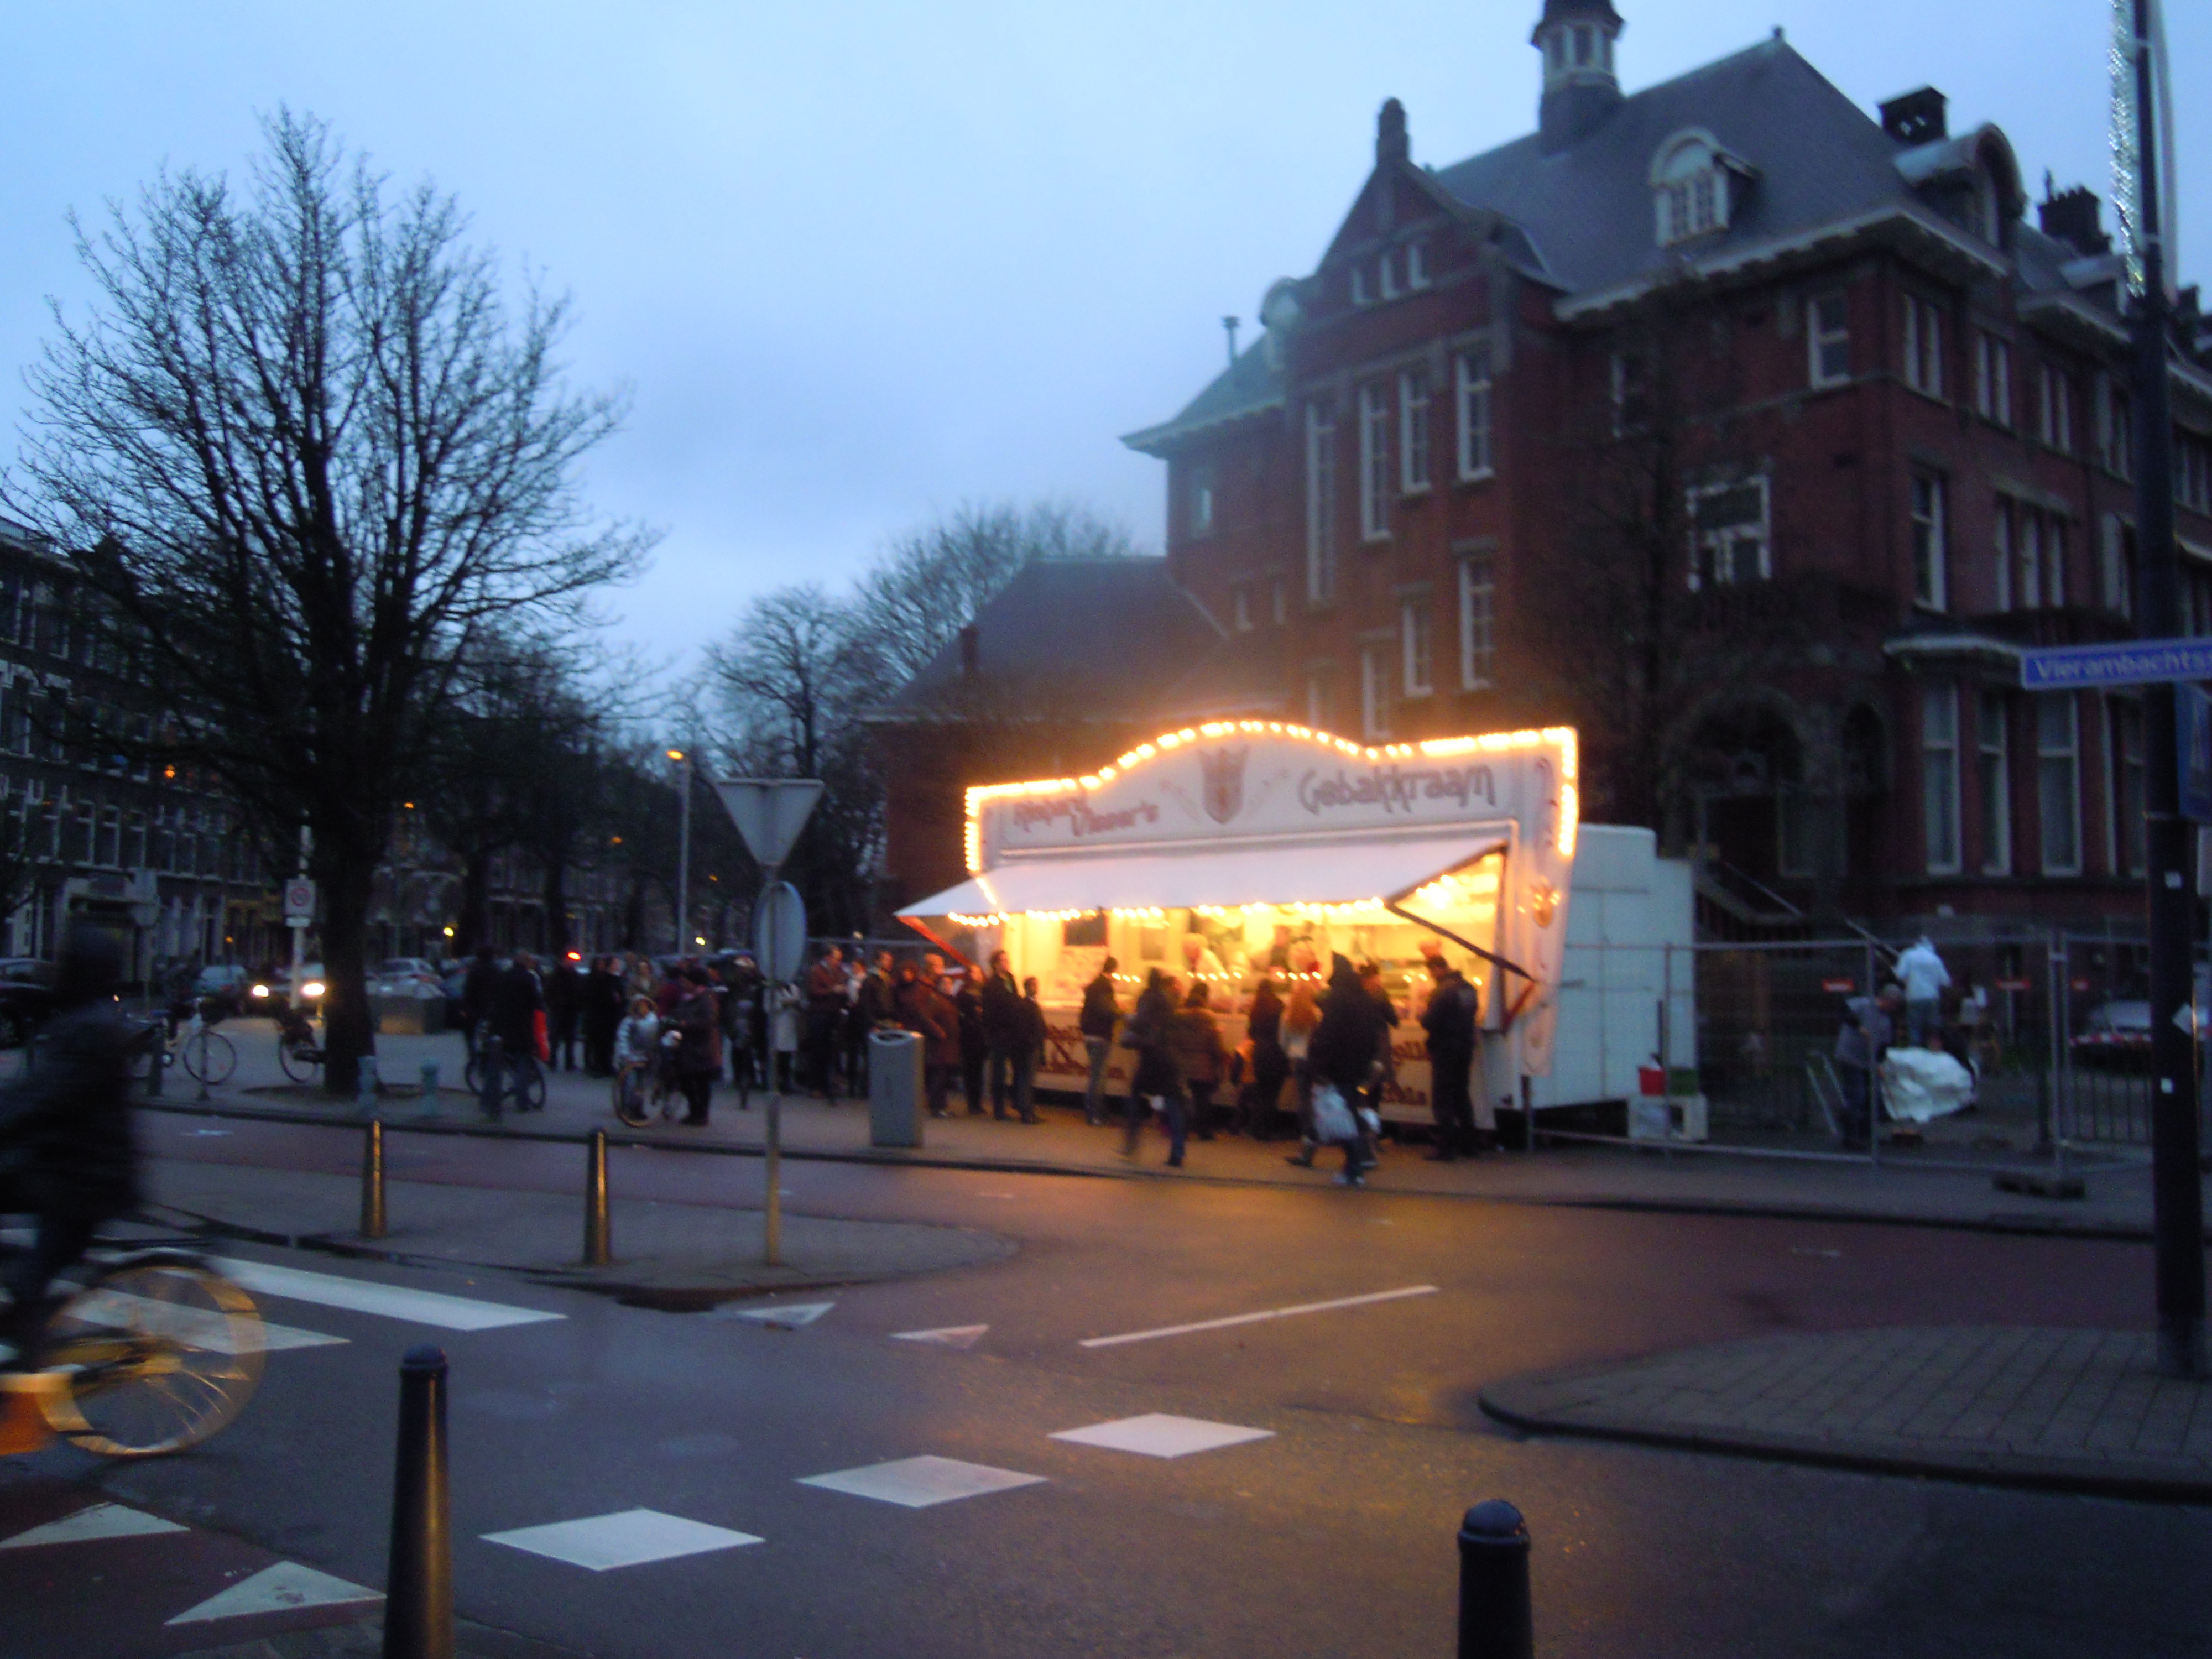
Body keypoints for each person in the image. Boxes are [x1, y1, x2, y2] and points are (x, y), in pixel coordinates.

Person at [0, 926, 138, 1365]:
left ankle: (28, 1381)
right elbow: (36, 1092)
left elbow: (46, 1098)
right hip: (59, 1167)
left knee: (30, 1278)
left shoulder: (91, 1029)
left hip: (82, 1183)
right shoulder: (84, 1018)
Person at [1301, 954, 1385, 1183]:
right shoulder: (1364, 999)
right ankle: (1358, 1162)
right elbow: (1372, 1035)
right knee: (1350, 1114)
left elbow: (1329, 1036)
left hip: (1339, 1068)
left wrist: (1318, 1065)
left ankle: (1355, 1167)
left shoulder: (1339, 1000)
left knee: (1341, 1118)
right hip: (1358, 1067)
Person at [1420, 954, 1481, 1160]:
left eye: (1431, 972)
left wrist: (1422, 1016)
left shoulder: (1443, 991)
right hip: (1465, 1046)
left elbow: (1430, 1021)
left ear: (1438, 969)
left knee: (1443, 1097)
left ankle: (1446, 1148)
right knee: (1462, 1094)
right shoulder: (1469, 989)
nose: (1431, 976)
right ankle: (1469, 1144)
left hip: (1445, 1047)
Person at [1122, 969, 1186, 1167]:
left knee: (1135, 1095)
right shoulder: (1169, 1001)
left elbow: (1141, 1023)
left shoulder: (1147, 999)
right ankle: (1178, 1151)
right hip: (1170, 1060)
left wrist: (1129, 1021)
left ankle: (1131, 1143)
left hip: (1152, 1059)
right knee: (1173, 1103)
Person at [1834, 983, 1903, 1150]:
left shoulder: (1886, 1020)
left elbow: (1884, 1045)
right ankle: (1851, 1136)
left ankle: (1867, 1134)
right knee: (1856, 1095)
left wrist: (1879, 1063)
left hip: (1868, 1061)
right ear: (1887, 1000)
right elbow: (1843, 1011)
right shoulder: (1864, 1004)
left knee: (1871, 1097)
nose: (1894, 1008)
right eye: (1893, 1003)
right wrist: (1860, 1027)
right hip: (1850, 1056)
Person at [479, 949, 544, 1120]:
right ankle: (522, 1101)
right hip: (522, 1028)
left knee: (495, 1066)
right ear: (526, 962)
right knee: (523, 1064)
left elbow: (493, 999)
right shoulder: (528, 979)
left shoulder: (503, 976)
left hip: (501, 1029)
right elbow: (536, 1002)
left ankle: (487, 1100)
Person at [895, 961, 961, 1118]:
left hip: (944, 1042)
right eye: (939, 967)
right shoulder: (929, 993)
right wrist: (937, 1031)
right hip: (937, 1043)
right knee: (937, 1075)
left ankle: (940, 1106)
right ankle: (937, 1107)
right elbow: (924, 1015)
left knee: (941, 1074)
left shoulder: (938, 995)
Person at [1168, 981, 1227, 1140]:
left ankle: (1183, 1129)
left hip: (1182, 1063)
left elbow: (1174, 1042)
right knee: (1202, 1099)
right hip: (1203, 1065)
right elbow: (1215, 1046)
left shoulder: (1178, 1020)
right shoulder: (1209, 1021)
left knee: (1184, 1098)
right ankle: (1204, 1131)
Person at [669, 970, 722, 1125]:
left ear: (695, 983)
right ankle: (694, 1111)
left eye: (686, 982)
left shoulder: (705, 1000)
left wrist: (689, 1024)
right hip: (686, 1046)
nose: (683, 984)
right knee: (685, 1080)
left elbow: (709, 1021)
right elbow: (678, 1013)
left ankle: (701, 1114)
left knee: (701, 1082)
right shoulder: (686, 999)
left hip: (702, 1047)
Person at [980, 950, 1025, 1121]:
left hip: (1013, 1031)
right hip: (999, 1033)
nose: (1007, 963)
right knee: (999, 1071)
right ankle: (999, 1108)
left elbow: (1015, 999)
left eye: (1008, 960)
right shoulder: (992, 984)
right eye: (1003, 961)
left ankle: (1017, 1102)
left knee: (1017, 1068)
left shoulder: (1011, 980)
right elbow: (992, 1011)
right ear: (996, 964)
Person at [1243, 974, 1288, 1140]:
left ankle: (1256, 1128)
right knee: (1272, 1093)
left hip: (1260, 1052)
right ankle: (1267, 1129)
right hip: (1277, 1052)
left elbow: (1251, 1033)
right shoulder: (1279, 1006)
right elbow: (1284, 1030)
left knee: (1261, 1092)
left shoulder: (1255, 1008)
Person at [1078, 957, 1121, 1126]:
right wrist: (1120, 1013)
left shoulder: (1095, 984)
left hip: (1090, 1033)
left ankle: (1096, 1112)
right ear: (1113, 970)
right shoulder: (1104, 986)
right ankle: (1095, 1114)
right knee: (1098, 1076)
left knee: (1096, 1074)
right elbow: (1106, 1009)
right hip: (1100, 1034)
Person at [1280, 979, 1320, 1158]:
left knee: (1303, 1099)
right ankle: (1319, 1131)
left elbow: (1282, 1041)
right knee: (1316, 1097)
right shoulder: (1317, 1014)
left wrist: (1290, 1053)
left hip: (1297, 1059)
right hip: (1314, 1058)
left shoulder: (1288, 1016)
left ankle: (1306, 1133)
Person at [802, 946, 846, 1098]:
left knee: (831, 1052)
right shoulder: (817, 971)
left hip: (834, 1014)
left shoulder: (838, 972)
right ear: (827, 958)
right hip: (820, 1015)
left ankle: (828, 1085)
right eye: (836, 959)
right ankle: (815, 1086)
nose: (838, 962)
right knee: (818, 1051)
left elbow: (843, 983)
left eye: (839, 960)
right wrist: (832, 990)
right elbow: (813, 991)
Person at [1895, 936, 1950, 1049]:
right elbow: (1946, 981)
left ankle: (1916, 1054)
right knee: (1933, 1029)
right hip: (1933, 998)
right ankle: (1934, 1052)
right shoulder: (1935, 959)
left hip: (1914, 997)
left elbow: (1900, 975)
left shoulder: (1909, 955)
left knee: (1915, 1028)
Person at [612, 995, 661, 1120]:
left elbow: (655, 1039)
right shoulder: (629, 1022)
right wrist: (625, 1054)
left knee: (642, 1085)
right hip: (631, 1058)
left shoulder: (653, 1021)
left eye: (644, 1006)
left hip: (646, 1058)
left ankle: (638, 1109)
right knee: (630, 1084)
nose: (642, 1009)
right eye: (640, 1006)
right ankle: (628, 1107)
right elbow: (623, 1038)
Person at [581, 956, 625, 1077]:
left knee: (609, 1043)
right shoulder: (600, 979)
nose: (617, 966)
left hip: (612, 1016)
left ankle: (606, 1065)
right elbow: (597, 997)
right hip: (600, 1016)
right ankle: (598, 1066)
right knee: (600, 1043)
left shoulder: (616, 979)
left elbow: (621, 996)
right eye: (615, 963)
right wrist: (612, 998)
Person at [1011, 976, 1047, 1124]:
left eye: (1036, 985)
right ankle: (1026, 1112)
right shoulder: (1025, 1005)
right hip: (1028, 1048)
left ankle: (1027, 1110)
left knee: (1027, 1080)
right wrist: (1032, 1042)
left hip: (1030, 1046)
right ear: (1026, 988)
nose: (1035, 988)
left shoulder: (1031, 1004)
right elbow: (1026, 1028)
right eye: (1032, 985)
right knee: (1026, 1080)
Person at [954, 964, 988, 1116]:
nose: (977, 975)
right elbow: (960, 1014)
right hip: (969, 1036)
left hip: (981, 1036)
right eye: (973, 972)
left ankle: (978, 1102)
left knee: (979, 1070)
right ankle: (972, 1103)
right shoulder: (963, 993)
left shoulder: (984, 992)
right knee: (970, 1070)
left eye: (978, 972)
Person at [458, 945, 499, 1062]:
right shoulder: (495, 969)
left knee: (470, 1034)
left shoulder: (475, 969)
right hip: (491, 1007)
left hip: (475, 1007)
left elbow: (468, 990)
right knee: (490, 1034)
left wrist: (465, 1007)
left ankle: (474, 1058)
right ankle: (489, 1057)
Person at [546, 953, 582, 1072]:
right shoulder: (557, 974)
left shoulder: (574, 974)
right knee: (556, 1037)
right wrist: (555, 1003)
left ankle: (569, 1062)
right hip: (559, 1010)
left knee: (570, 1038)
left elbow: (578, 991)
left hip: (571, 1010)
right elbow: (549, 991)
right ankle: (553, 1060)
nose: (571, 963)